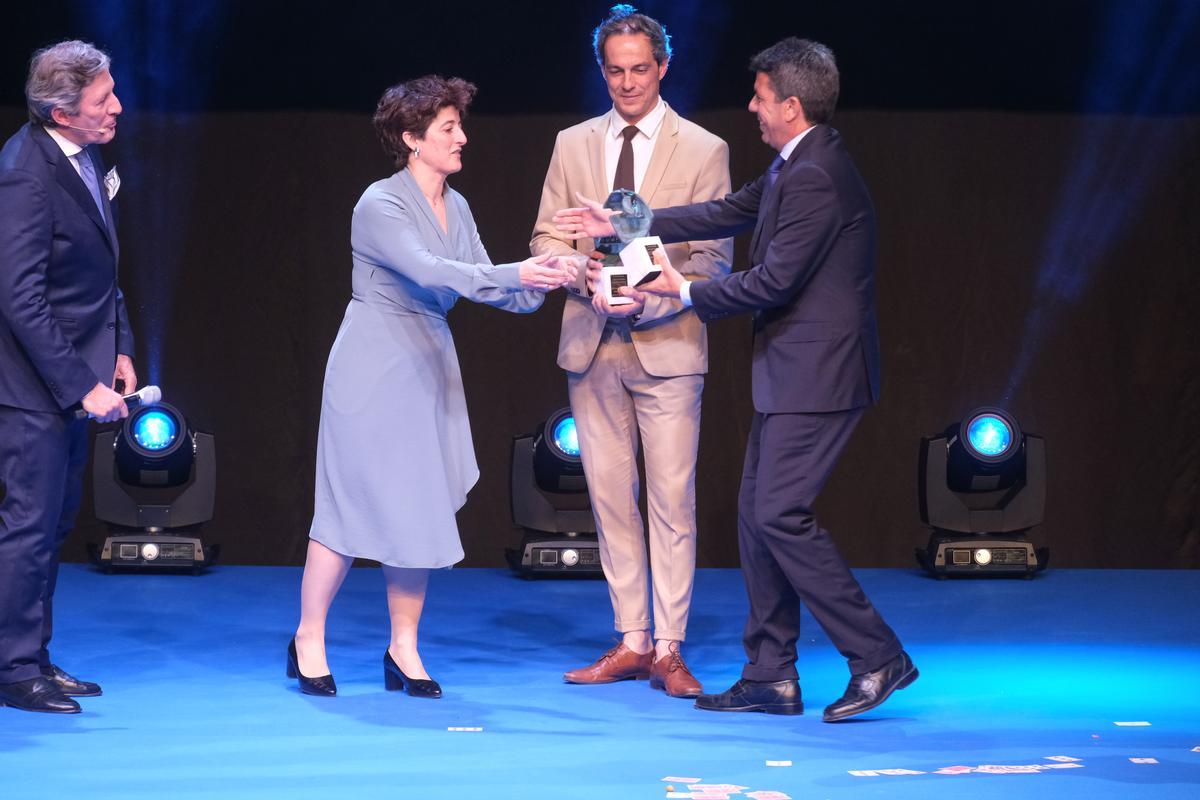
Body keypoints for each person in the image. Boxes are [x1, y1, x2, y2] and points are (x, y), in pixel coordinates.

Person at [555, 38, 917, 722]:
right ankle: (770, 674)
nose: (751, 106)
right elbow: (725, 211)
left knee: (780, 514)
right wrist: (628, 222)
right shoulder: (797, 163)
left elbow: (775, 280)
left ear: (790, 103)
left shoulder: (816, 175)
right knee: (757, 519)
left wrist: (680, 289)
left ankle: (876, 655)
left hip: (820, 376)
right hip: (793, 374)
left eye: (758, 95)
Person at [289, 75, 575, 699]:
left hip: (428, 362)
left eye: (459, 126)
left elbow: (483, 282)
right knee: (347, 504)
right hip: (373, 363)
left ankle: (404, 648)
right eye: (448, 129)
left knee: (416, 507)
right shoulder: (380, 204)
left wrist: (550, 279)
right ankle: (309, 637)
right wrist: (513, 272)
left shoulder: (459, 204)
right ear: (411, 138)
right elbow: (429, 268)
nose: (462, 138)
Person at [530, 4, 732, 700]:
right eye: (615, 71)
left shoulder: (703, 149)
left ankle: (670, 649)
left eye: (639, 70)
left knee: (672, 500)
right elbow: (546, 239)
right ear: (602, 69)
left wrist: (654, 297)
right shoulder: (572, 143)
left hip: (668, 345)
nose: (627, 83)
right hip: (592, 343)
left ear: (663, 66)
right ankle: (631, 640)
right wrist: (583, 274)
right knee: (610, 499)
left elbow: (714, 261)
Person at [0, 41, 135, 715]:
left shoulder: (82, 155)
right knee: (27, 526)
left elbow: (101, 272)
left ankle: (36, 656)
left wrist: (120, 347)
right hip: (31, 389)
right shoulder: (25, 172)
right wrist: (80, 386)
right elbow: (18, 296)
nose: (116, 106)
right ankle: (14, 666)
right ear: (61, 110)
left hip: (79, 371)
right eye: (102, 99)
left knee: (53, 524)